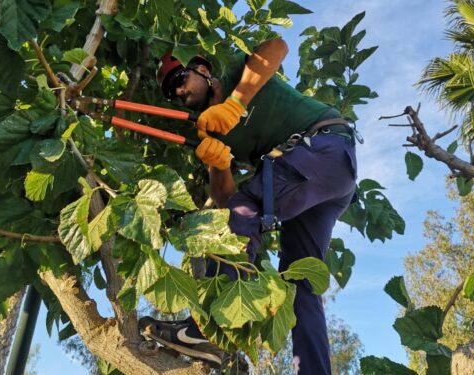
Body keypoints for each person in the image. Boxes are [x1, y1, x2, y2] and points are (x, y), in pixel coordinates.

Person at [139, 38, 358, 375]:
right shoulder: (209, 129)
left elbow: (277, 47)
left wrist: (236, 103)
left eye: (179, 80)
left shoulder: (234, 71)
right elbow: (228, 202)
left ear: (201, 69)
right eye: (171, 92)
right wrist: (220, 161)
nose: (179, 93)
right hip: (326, 177)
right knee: (297, 279)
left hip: (324, 147)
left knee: (247, 205)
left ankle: (207, 330)